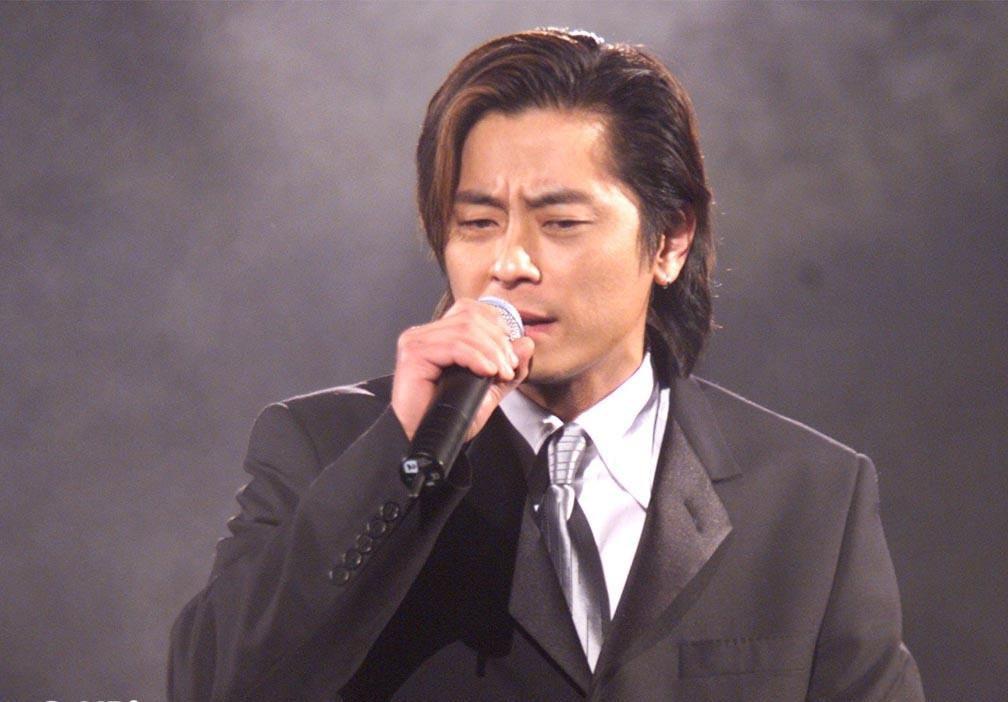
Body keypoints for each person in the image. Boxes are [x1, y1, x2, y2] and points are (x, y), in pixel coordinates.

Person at [169, 28, 924, 701]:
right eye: (477, 222)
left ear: (670, 240)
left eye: (561, 222)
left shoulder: (810, 494)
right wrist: (401, 457)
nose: (510, 262)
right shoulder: (325, 448)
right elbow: (208, 688)